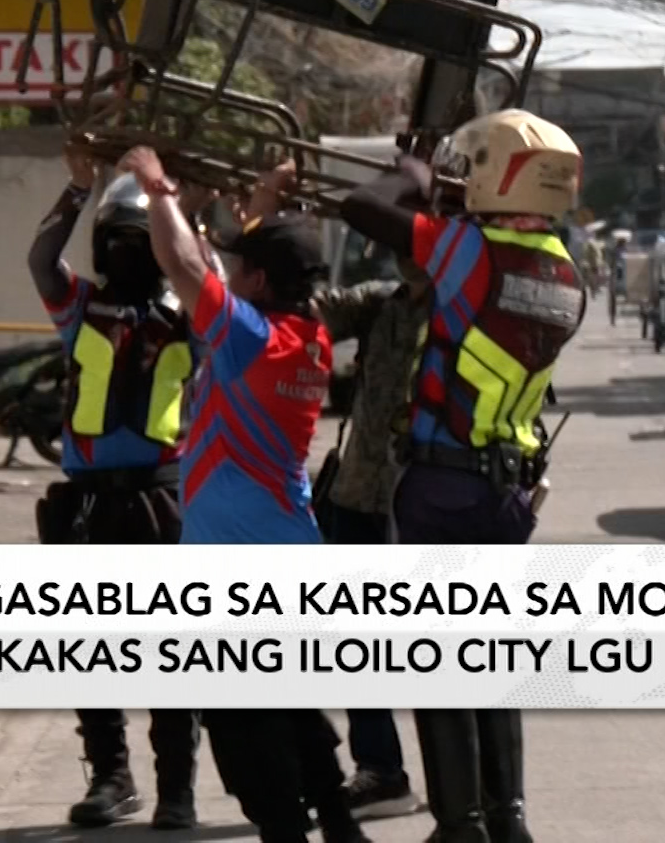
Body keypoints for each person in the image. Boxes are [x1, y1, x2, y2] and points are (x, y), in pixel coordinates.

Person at [339, 109, 588, 843]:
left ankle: (460, 824)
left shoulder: (468, 253)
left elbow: (360, 211)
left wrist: (411, 174)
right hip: (507, 493)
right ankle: (508, 818)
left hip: (441, 488)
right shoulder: (562, 267)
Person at [117, 145, 367, 843]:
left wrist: (156, 187)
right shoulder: (308, 335)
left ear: (258, 281)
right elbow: (238, 267)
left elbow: (186, 268)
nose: (229, 270)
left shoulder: (250, 340)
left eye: (243, 266)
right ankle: (342, 827)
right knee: (290, 708)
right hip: (287, 556)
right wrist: (268, 202)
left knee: (246, 734)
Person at [242, 162, 424, 822]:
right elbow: (293, 302)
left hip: (411, 501)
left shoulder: (458, 308)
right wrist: (267, 225)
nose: (405, 254)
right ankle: (382, 768)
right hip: (356, 492)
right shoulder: (386, 302)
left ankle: (410, 777)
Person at [27, 144, 201, 831]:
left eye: (144, 243)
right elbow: (41, 261)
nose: (131, 254)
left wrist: (172, 209)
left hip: (164, 500)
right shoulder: (82, 309)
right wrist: (76, 188)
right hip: (91, 504)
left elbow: (207, 275)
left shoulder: (192, 316)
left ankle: (176, 788)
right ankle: (111, 776)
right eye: (119, 241)